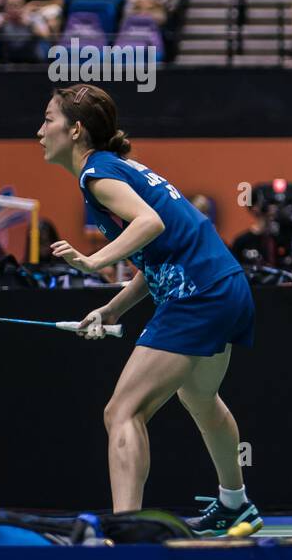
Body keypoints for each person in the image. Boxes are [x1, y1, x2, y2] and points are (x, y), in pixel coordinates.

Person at [37, 84, 260, 532]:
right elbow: (157, 252)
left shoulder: (97, 176)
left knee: (121, 411)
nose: (39, 130)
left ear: (75, 130)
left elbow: (149, 223)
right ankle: (236, 503)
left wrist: (94, 260)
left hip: (198, 296)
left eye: (47, 120)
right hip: (226, 287)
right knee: (199, 398)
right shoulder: (119, 169)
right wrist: (113, 308)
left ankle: (126, 532)